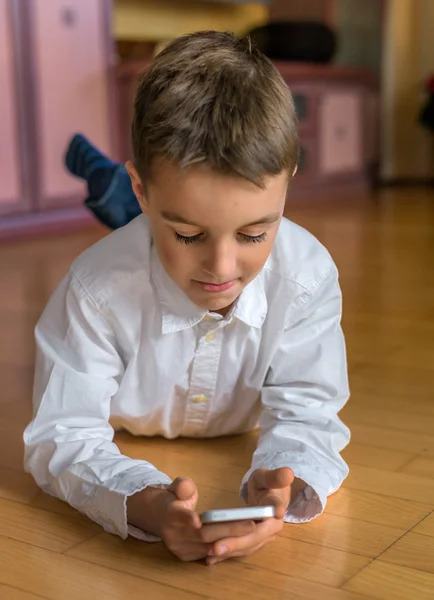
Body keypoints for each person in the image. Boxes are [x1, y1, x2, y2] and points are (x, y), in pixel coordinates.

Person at [24, 31, 350, 566]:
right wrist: (143, 502)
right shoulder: (94, 289)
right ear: (146, 190)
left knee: (152, 232)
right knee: (125, 232)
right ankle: (114, 189)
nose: (222, 270)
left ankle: (133, 203)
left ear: (288, 183)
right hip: (133, 234)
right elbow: (61, 433)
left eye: (253, 234)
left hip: (148, 220)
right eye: (190, 234)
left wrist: (287, 478)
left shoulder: (307, 277)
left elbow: (311, 410)